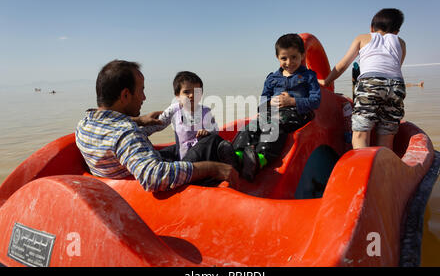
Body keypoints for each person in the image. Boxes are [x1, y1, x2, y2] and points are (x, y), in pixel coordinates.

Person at [75, 60, 238, 192]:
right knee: (211, 141)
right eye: (141, 90)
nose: (144, 97)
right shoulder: (126, 134)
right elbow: (155, 178)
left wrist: (139, 120)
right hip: (147, 191)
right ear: (125, 95)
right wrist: (211, 168)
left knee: (179, 147)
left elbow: (115, 127)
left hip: (121, 182)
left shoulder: (84, 124)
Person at [233, 33, 321, 181]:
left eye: (294, 57)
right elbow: (262, 103)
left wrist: (292, 101)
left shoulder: (308, 76)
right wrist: (269, 103)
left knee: (275, 123)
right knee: (252, 125)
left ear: (302, 55)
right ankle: (238, 155)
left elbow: (315, 101)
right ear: (277, 58)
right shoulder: (272, 78)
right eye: (284, 58)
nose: (289, 62)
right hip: (272, 112)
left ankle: (260, 158)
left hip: (297, 113)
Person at [319, 8, 406, 151]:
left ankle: (363, 166)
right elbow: (396, 67)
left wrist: (326, 81)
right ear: (397, 32)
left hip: (370, 84)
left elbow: (342, 65)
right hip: (396, 86)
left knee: (360, 134)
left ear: (371, 28)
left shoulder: (362, 38)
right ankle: (383, 168)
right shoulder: (401, 43)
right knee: (387, 133)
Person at [143, 71, 240, 171]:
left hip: (201, 157)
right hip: (183, 157)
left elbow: (215, 130)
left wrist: (207, 132)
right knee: (157, 155)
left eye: (196, 92)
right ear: (177, 95)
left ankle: (235, 165)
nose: (191, 95)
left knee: (214, 139)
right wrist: (139, 132)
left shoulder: (205, 111)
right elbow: (157, 125)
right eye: (186, 92)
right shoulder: (174, 110)